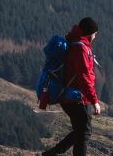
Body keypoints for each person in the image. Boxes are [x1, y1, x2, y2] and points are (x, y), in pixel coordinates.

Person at [42, 17, 101, 156]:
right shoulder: (80, 48)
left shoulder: (73, 43)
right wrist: (95, 101)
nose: (96, 36)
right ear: (90, 32)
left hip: (68, 96)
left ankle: (52, 153)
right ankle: (53, 153)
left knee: (80, 131)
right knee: (84, 132)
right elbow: (84, 77)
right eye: (95, 33)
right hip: (77, 97)